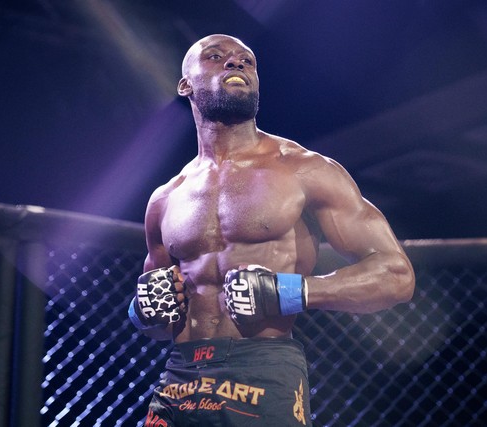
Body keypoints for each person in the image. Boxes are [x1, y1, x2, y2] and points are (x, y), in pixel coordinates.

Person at [128, 34, 415, 427]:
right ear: (185, 85)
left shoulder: (305, 170)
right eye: (216, 56)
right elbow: (158, 319)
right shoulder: (165, 198)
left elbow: (397, 276)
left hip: (262, 374)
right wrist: (140, 312)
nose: (235, 63)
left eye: (246, 60)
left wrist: (292, 292)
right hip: (180, 379)